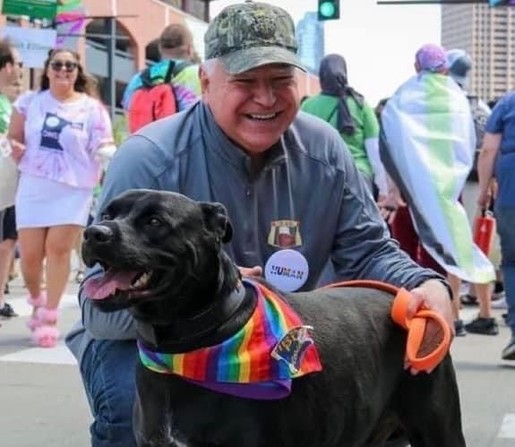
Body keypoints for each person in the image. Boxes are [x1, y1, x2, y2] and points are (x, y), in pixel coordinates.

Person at [66, 4, 455, 446]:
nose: (266, 98)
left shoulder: (324, 150)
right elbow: (98, 306)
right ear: (207, 82)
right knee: (126, 398)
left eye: (280, 81)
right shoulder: (150, 158)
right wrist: (215, 300)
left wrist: (428, 283)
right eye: (246, 82)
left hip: (282, 339)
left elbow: (367, 249)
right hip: (152, 336)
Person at [381, 43, 497, 337]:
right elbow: (470, 142)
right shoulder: (460, 99)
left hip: (413, 188)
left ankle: (415, 312)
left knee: (407, 248)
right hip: (449, 187)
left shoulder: (404, 98)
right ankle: (451, 313)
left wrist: (395, 188)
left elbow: (391, 144)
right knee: (452, 248)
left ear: (417, 67)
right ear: (444, 67)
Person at [7, 49, 115, 347]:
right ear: (48, 70)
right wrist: (14, 146)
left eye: (70, 65)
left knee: (58, 248)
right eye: (58, 65)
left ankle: (50, 317)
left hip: (74, 186)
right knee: (29, 256)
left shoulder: (92, 109)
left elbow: (104, 142)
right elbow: (14, 136)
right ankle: (36, 299)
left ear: (78, 71)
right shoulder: (30, 103)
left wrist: (110, 156)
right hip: (34, 184)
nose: (64, 70)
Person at [301, 54, 388, 201]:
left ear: (321, 77)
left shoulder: (307, 106)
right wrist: (383, 190)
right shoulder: (361, 105)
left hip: (319, 179)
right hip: (358, 177)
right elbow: (375, 151)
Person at [477, 90, 515, 360]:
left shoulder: (508, 103)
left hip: (511, 193)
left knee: (512, 263)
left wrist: (483, 191)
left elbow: (489, 149)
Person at [122, 22, 201, 117]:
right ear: (189, 49)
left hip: (146, 131)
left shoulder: (138, 79)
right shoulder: (198, 75)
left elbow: (128, 113)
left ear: (160, 48)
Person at [0, 39, 23, 319]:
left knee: (7, 241)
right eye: (18, 63)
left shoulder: (10, 102)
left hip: (12, 182)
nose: (19, 69)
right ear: (7, 66)